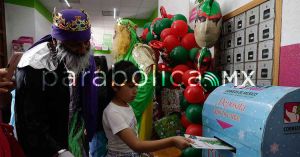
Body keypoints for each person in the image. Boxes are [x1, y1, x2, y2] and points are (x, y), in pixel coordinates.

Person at [15, 9, 98, 157]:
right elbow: (31, 122)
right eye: (75, 45)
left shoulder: (83, 55)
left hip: (70, 130)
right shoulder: (33, 66)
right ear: (56, 41)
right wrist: (56, 151)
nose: (82, 51)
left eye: (86, 43)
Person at [102, 61, 192, 157]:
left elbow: (134, 138)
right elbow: (136, 145)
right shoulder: (113, 112)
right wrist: (172, 141)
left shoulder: (126, 105)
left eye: (137, 86)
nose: (135, 91)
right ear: (115, 86)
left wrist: (145, 151)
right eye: (131, 86)